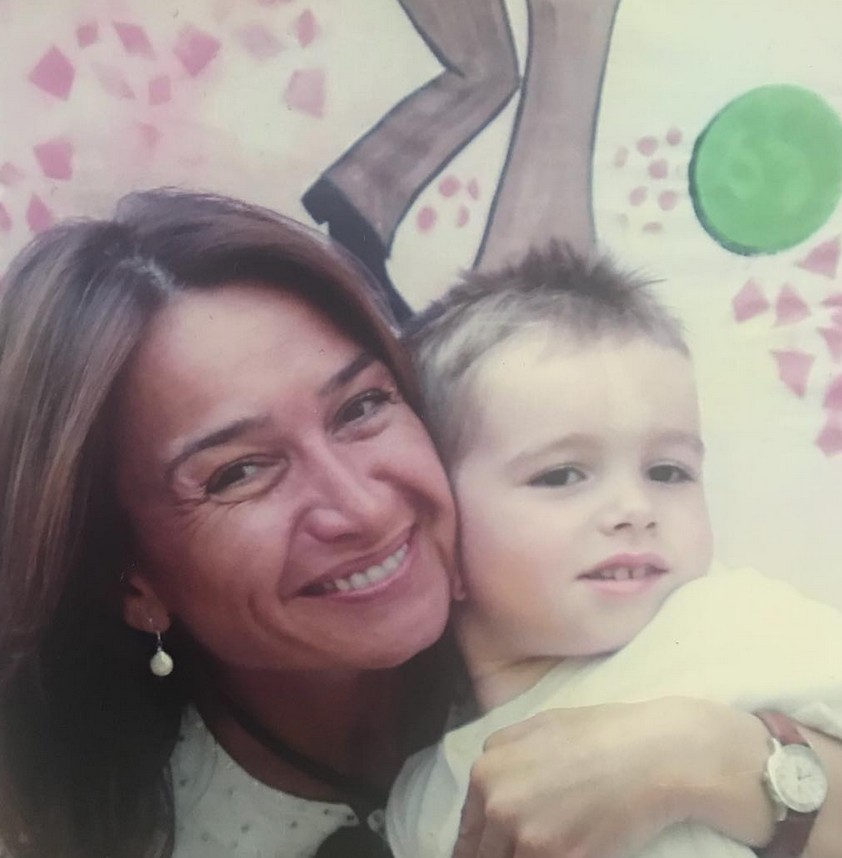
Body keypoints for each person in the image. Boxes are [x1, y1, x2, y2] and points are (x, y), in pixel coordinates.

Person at [0, 191, 840, 858]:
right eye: (239, 471)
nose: (364, 509)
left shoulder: (596, 618)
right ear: (132, 582)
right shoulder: (94, 819)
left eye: (362, 407)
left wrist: (705, 759)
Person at [387, 243, 842, 858]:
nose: (635, 507)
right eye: (561, 475)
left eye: (668, 471)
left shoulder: (734, 623)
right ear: (441, 527)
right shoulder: (421, 801)